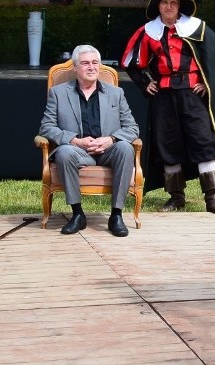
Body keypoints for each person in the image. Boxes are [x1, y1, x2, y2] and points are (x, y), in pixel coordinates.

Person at [121, 0, 215, 214]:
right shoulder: (148, 31)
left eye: (173, 3)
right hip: (164, 94)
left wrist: (205, 81)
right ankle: (176, 197)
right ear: (158, 7)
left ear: (179, 6)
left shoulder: (196, 27)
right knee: (167, 143)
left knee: (203, 141)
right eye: (164, 3)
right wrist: (144, 83)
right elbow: (131, 61)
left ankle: (212, 197)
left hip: (192, 93)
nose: (169, 7)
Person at [38, 44, 140, 237]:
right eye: (85, 63)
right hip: (78, 151)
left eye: (95, 63)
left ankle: (116, 215)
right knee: (64, 151)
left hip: (108, 150)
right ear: (75, 67)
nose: (91, 67)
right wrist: (75, 141)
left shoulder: (116, 93)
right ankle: (77, 214)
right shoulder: (59, 93)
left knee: (125, 148)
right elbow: (46, 127)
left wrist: (110, 139)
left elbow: (132, 128)